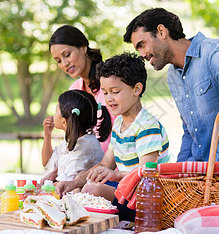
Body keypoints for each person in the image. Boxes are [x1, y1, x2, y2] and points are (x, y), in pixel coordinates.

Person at [123, 8, 219, 167]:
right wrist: (178, 170)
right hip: (204, 171)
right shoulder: (173, 76)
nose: (142, 54)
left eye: (142, 45)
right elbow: (190, 132)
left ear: (161, 31)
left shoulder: (216, 53)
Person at [55, 52, 171, 205]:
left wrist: (114, 175)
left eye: (115, 92)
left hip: (146, 197)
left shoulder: (147, 126)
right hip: (127, 189)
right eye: (105, 93)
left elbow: (146, 174)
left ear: (137, 89)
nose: (109, 98)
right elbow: (105, 164)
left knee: (92, 191)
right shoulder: (119, 123)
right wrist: (73, 183)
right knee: (83, 182)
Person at [49, 25, 115, 152]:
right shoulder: (74, 90)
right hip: (85, 165)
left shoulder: (110, 83)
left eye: (67, 54)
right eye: (58, 60)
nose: (64, 63)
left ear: (83, 47)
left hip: (117, 166)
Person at [39, 90, 111, 185]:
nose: (53, 115)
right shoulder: (71, 140)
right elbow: (47, 163)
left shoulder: (85, 144)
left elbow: (66, 183)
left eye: (56, 111)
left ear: (64, 122)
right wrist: (47, 135)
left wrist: (43, 187)